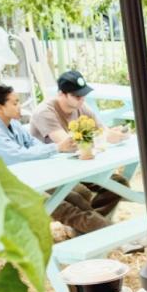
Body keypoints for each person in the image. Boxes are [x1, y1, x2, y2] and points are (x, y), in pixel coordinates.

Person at [0, 84, 121, 237]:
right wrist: (56, 148)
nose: (20, 107)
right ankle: (118, 235)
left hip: (29, 180)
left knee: (76, 196)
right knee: (64, 207)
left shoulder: (14, 125)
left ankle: (92, 232)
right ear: (0, 107)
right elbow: (18, 156)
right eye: (15, 103)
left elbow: (33, 145)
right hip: (7, 191)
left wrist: (56, 149)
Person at [29, 70, 132, 236]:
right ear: (62, 94)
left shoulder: (81, 107)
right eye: (77, 96)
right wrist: (102, 137)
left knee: (118, 183)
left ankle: (86, 228)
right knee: (80, 193)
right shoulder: (45, 112)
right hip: (52, 173)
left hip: (79, 167)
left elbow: (102, 131)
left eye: (83, 95)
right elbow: (69, 144)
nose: (82, 99)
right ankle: (103, 230)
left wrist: (115, 135)